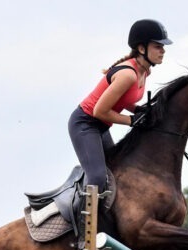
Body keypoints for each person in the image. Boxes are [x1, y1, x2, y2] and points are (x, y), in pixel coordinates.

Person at [68, 19, 172, 194]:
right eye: (158, 46)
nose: (163, 50)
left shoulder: (145, 70)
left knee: (117, 171)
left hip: (101, 126)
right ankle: (83, 221)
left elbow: (123, 99)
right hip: (85, 124)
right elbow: (99, 111)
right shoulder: (128, 75)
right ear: (141, 48)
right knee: (98, 179)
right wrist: (131, 120)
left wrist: (137, 110)